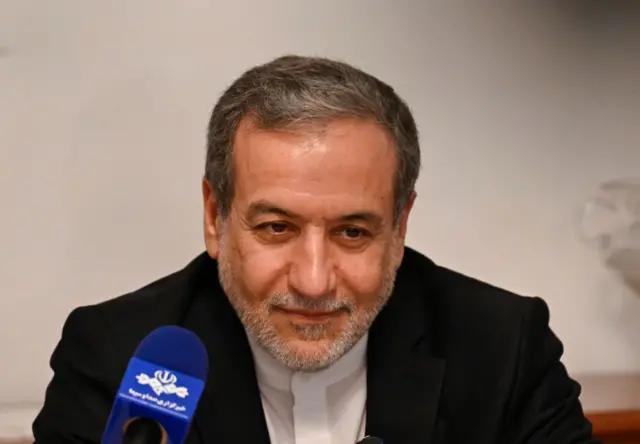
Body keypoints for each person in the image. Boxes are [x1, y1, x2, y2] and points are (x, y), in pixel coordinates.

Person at [32, 55, 599, 444]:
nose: (312, 280)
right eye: (276, 227)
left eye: (353, 232)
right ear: (214, 217)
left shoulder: (503, 346)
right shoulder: (116, 354)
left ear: (400, 228)